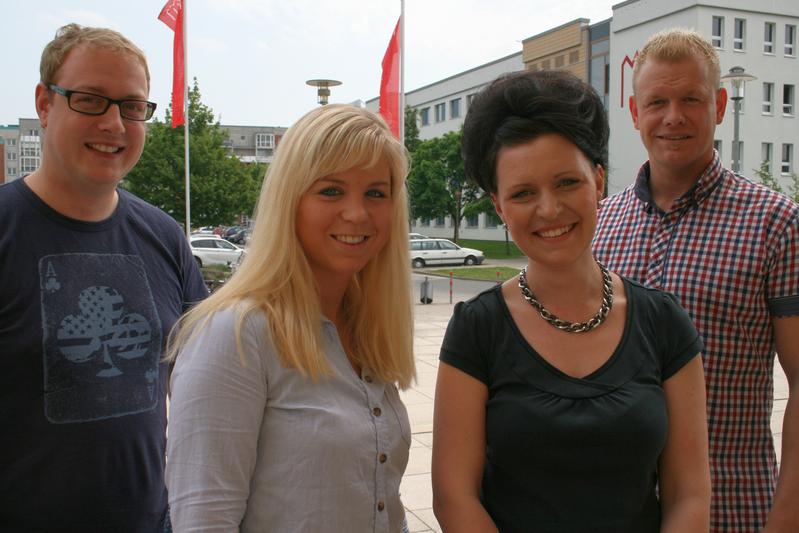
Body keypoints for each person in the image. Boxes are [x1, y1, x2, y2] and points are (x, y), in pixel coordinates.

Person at [432, 70, 710, 533]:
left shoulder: (664, 323)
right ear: (500, 207)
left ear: (598, 181)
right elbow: (453, 497)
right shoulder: (477, 330)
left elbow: (690, 495)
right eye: (523, 193)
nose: (549, 209)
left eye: (566, 182)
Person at [165, 104, 416, 532]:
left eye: (376, 193)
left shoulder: (365, 328)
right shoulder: (236, 336)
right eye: (331, 191)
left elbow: (381, 501)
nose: (357, 213)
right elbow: (204, 520)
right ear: (290, 200)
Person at [0, 24, 207, 531]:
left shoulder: (164, 236)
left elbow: (202, 384)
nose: (115, 123)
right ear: (45, 105)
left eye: (132, 106)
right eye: (91, 100)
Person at [593, 28, 799, 532]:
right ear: (634, 111)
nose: (674, 116)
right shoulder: (600, 223)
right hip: (614, 510)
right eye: (657, 101)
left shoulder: (776, 223)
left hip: (732, 508)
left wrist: (787, 519)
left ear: (721, 105)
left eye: (691, 98)